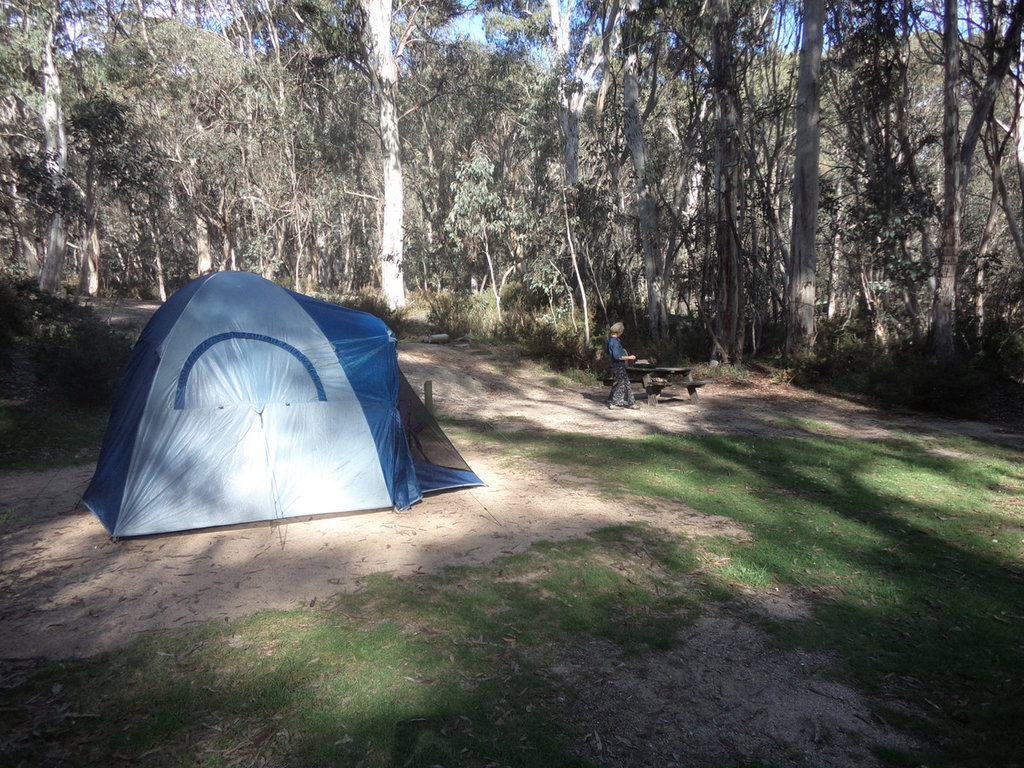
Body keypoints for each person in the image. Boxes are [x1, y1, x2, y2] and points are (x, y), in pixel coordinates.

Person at [606, 322, 637, 409]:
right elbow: (617, 357)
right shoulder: (615, 342)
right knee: (620, 385)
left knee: (626, 383)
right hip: (618, 366)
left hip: (617, 366)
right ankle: (616, 404)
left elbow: (608, 352)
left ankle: (631, 403)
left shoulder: (611, 340)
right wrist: (629, 357)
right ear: (620, 332)